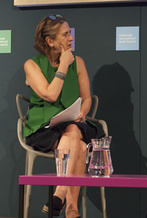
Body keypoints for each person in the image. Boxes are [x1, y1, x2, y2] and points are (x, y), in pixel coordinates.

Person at [23, 14, 97, 218]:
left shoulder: (79, 62)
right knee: (80, 146)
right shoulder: (32, 65)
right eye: (65, 34)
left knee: (73, 130)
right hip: (44, 127)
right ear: (50, 41)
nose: (71, 38)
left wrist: (82, 112)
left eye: (70, 33)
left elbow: (87, 98)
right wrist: (63, 65)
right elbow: (51, 94)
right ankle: (70, 208)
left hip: (74, 122)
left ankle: (59, 195)